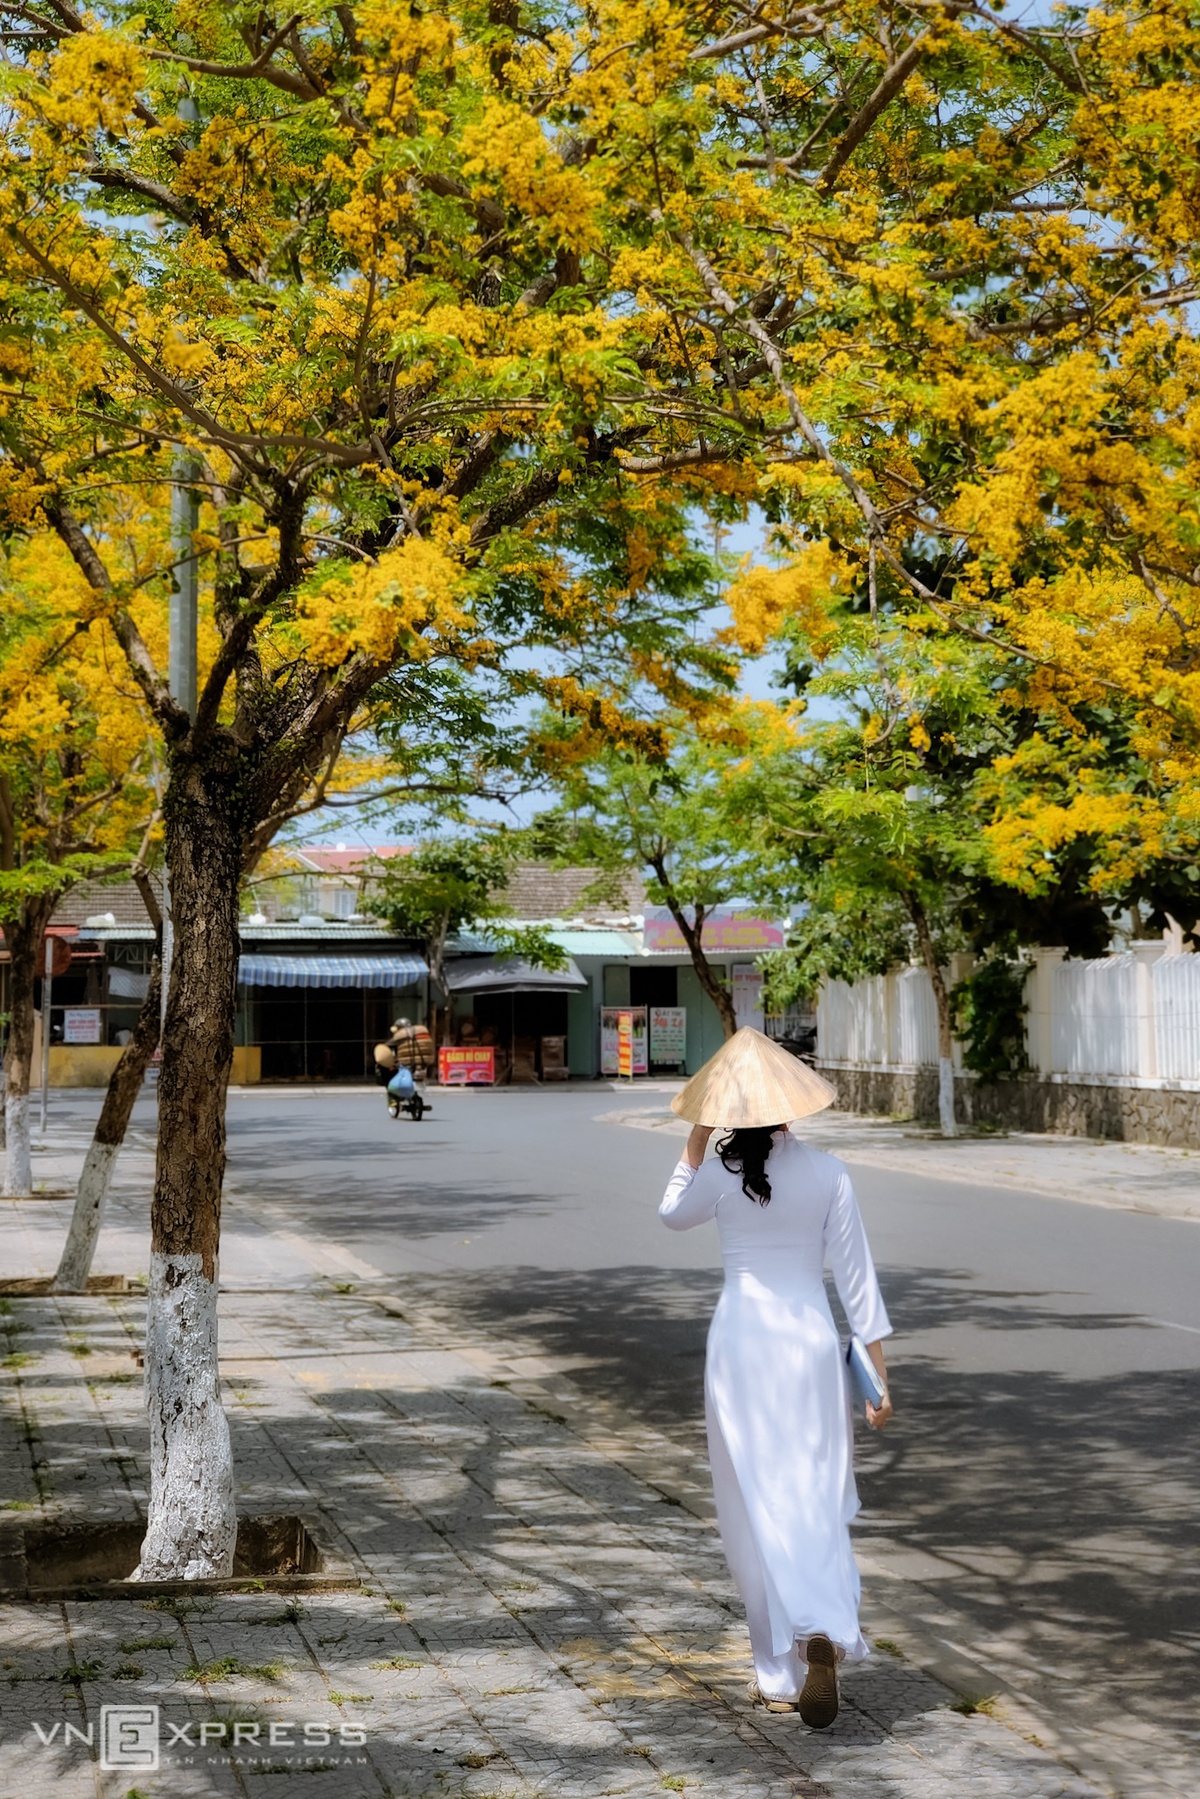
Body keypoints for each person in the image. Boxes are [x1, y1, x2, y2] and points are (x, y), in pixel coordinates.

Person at [659, 1027, 893, 1729]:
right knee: (813, 1490)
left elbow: (670, 1214)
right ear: (793, 1102)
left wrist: (698, 1137)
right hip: (810, 1346)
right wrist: (878, 1375)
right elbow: (859, 1284)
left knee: (749, 1502)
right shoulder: (830, 1172)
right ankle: (821, 1624)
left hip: (740, 1346)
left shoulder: (722, 1173)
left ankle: (777, 1669)